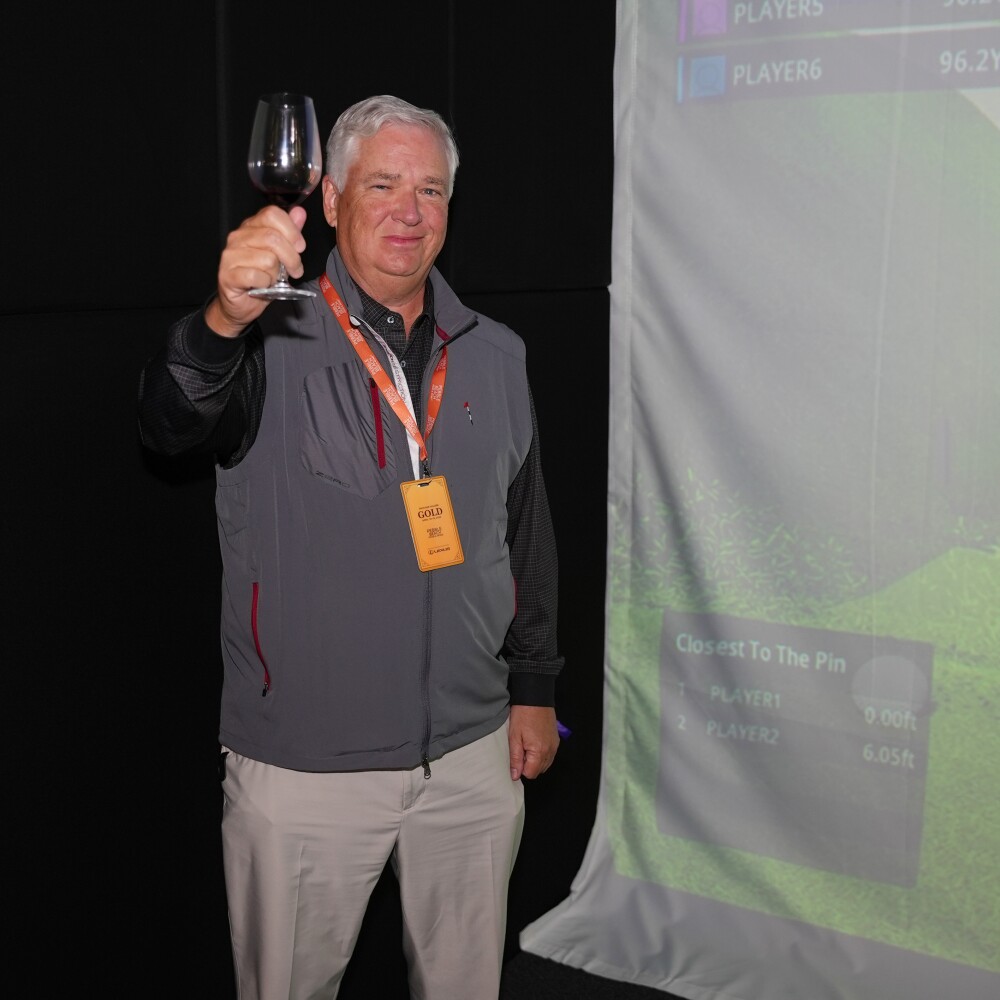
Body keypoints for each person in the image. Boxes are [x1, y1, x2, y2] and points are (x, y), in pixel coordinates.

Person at [137, 94, 563, 999]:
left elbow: (523, 531)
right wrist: (219, 319)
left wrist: (533, 691)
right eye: (383, 184)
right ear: (330, 200)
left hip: (471, 759)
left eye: (432, 190)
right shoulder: (263, 337)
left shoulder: (498, 355)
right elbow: (170, 422)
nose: (411, 211)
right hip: (304, 773)